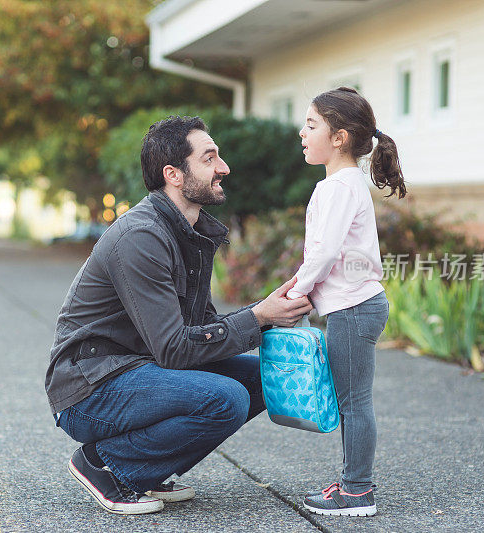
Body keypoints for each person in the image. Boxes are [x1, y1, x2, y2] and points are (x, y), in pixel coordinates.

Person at [46, 116, 313, 515]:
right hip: (90, 387)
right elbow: (174, 349)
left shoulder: (189, 233)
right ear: (173, 174)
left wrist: (268, 316)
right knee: (225, 398)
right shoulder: (142, 236)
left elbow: (200, 331)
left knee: (262, 377)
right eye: (210, 158)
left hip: (138, 367)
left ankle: (146, 470)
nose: (224, 168)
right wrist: (256, 317)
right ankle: (107, 464)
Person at [285, 87, 406, 517]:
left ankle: (357, 492)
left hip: (353, 309)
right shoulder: (345, 184)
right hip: (356, 305)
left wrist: (294, 294)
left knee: (354, 403)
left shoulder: (337, 187)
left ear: (339, 137)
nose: (302, 132)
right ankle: (354, 482)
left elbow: (323, 253)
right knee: (352, 400)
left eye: (312, 124)